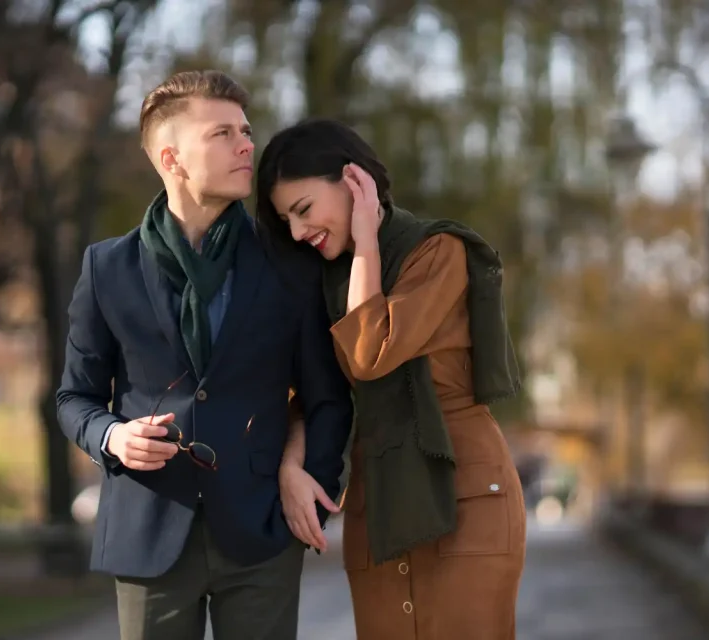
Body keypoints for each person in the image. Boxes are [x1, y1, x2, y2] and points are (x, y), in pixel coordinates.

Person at [56, 72, 354, 640]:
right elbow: (75, 396)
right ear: (172, 158)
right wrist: (111, 437)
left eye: (246, 129)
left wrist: (312, 486)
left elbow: (328, 396)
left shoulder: (290, 264)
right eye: (222, 133)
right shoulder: (106, 268)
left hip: (263, 532)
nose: (247, 144)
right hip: (147, 530)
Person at [256, 118, 528, 640]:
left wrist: (365, 246)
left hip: (465, 498)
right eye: (285, 219)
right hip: (378, 505)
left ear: (353, 182)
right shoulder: (323, 283)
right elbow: (312, 395)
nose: (296, 232)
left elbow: (369, 352)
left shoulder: (437, 252)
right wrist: (293, 462)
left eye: (304, 210)